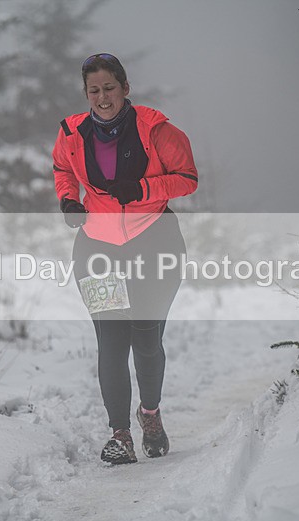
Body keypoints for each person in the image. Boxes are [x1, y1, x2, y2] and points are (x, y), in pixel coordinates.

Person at [52, 53, 198, 465]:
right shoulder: (71, 132)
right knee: (112, 343)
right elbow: (63, 168)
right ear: (86, 94)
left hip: (154, 242)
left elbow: (187, 179)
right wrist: (68, 200)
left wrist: (143, 190)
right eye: (94, 90)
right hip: (97, 247)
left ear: (125, 88)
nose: (102, 97)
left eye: (109, 88)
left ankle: (149, 414)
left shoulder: (158, 130)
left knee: (146, 339)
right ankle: (120, 435)